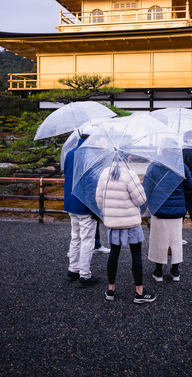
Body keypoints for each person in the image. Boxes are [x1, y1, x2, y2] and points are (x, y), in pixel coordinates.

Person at [96, 153, 156, 304]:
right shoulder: (130, 175)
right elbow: (141, 199)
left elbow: (99, 200)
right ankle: (139, 292)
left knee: (114, 254)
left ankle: (110, 290)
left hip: (113, 222)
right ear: (128, 158)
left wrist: (107, 211)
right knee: (136, 254)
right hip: (130, 222)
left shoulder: (104, 173)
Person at [144, 159, 192, 282]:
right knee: (175, 240)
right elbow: (190, 186)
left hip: (159, 209)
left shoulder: (155, 166)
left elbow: (146, 188)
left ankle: (158, 271)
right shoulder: (181, 166)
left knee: (158, 240)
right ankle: (175, 271)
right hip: (177, 210)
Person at [64, 130, 100, 288]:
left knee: (75, 237)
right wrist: (95, 209)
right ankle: (85, 275)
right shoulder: (90, 156)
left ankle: (73, 270)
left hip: (71, 202)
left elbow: (67, 174)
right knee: (87, 240)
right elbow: (92, 184)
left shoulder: (70, 153)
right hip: (85, 205)